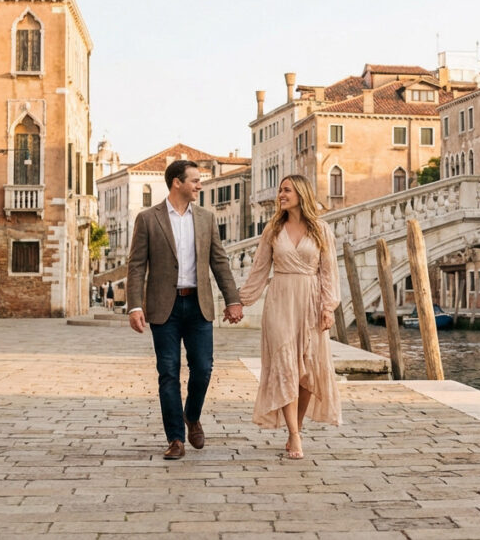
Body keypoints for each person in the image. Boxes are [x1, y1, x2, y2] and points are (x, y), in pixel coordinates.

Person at [127, 159, 244, 460]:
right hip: (163, 308)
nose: (199, 185)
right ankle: (176, 438)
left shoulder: (206, 218)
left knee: (203, 369)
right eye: (194, 180)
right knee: (168, 372)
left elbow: (219, 261)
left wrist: (232, 300)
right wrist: (134, 306)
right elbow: (137, 265)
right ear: (177, 183)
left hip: (199, 304)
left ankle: (192, 416)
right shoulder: (148, 219)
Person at [238, 174, 341, 459]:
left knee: (307, 371)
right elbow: (259, 270)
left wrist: (327, 307)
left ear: (301, 194)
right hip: (280, 302)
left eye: (286, 190)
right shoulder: (272, 230)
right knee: (285, 366)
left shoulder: (321, 229)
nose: (280, 194)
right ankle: (294, 435)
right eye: (281, 190)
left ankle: (296, 425)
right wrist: (241, 301)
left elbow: (328, 272)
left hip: (310, 301)